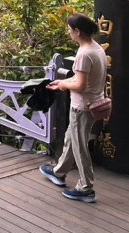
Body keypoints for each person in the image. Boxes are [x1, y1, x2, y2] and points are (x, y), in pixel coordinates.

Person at [40, 13, 108, 203]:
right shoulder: (97, 48)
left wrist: (62, 86)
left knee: (80, 147)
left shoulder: (83, 54)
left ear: (77, 32)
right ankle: (59, 172)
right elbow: (81, 80)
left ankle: (86, 187)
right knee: (72, 138)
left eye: (70, 29)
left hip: (82, 106)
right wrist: (62, 82)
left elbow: (80, 85)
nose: (68, 32)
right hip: (93, 102)